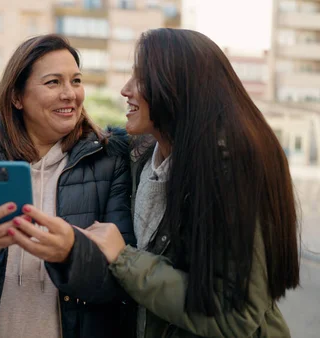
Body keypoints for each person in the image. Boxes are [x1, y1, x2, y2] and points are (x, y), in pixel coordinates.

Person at [79, 28, 300, 338]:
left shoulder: (230, 172)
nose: (125, 90)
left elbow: (233, 316)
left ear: (178, 87)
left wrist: (124, 260)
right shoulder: (140, 156)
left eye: (141, 77)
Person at [0, 34, 136, 338]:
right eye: (53, 82)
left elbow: (120, 283)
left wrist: (71, 254)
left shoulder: (108, 160)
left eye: (76, 81)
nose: (70, 94)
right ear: (17, 97)